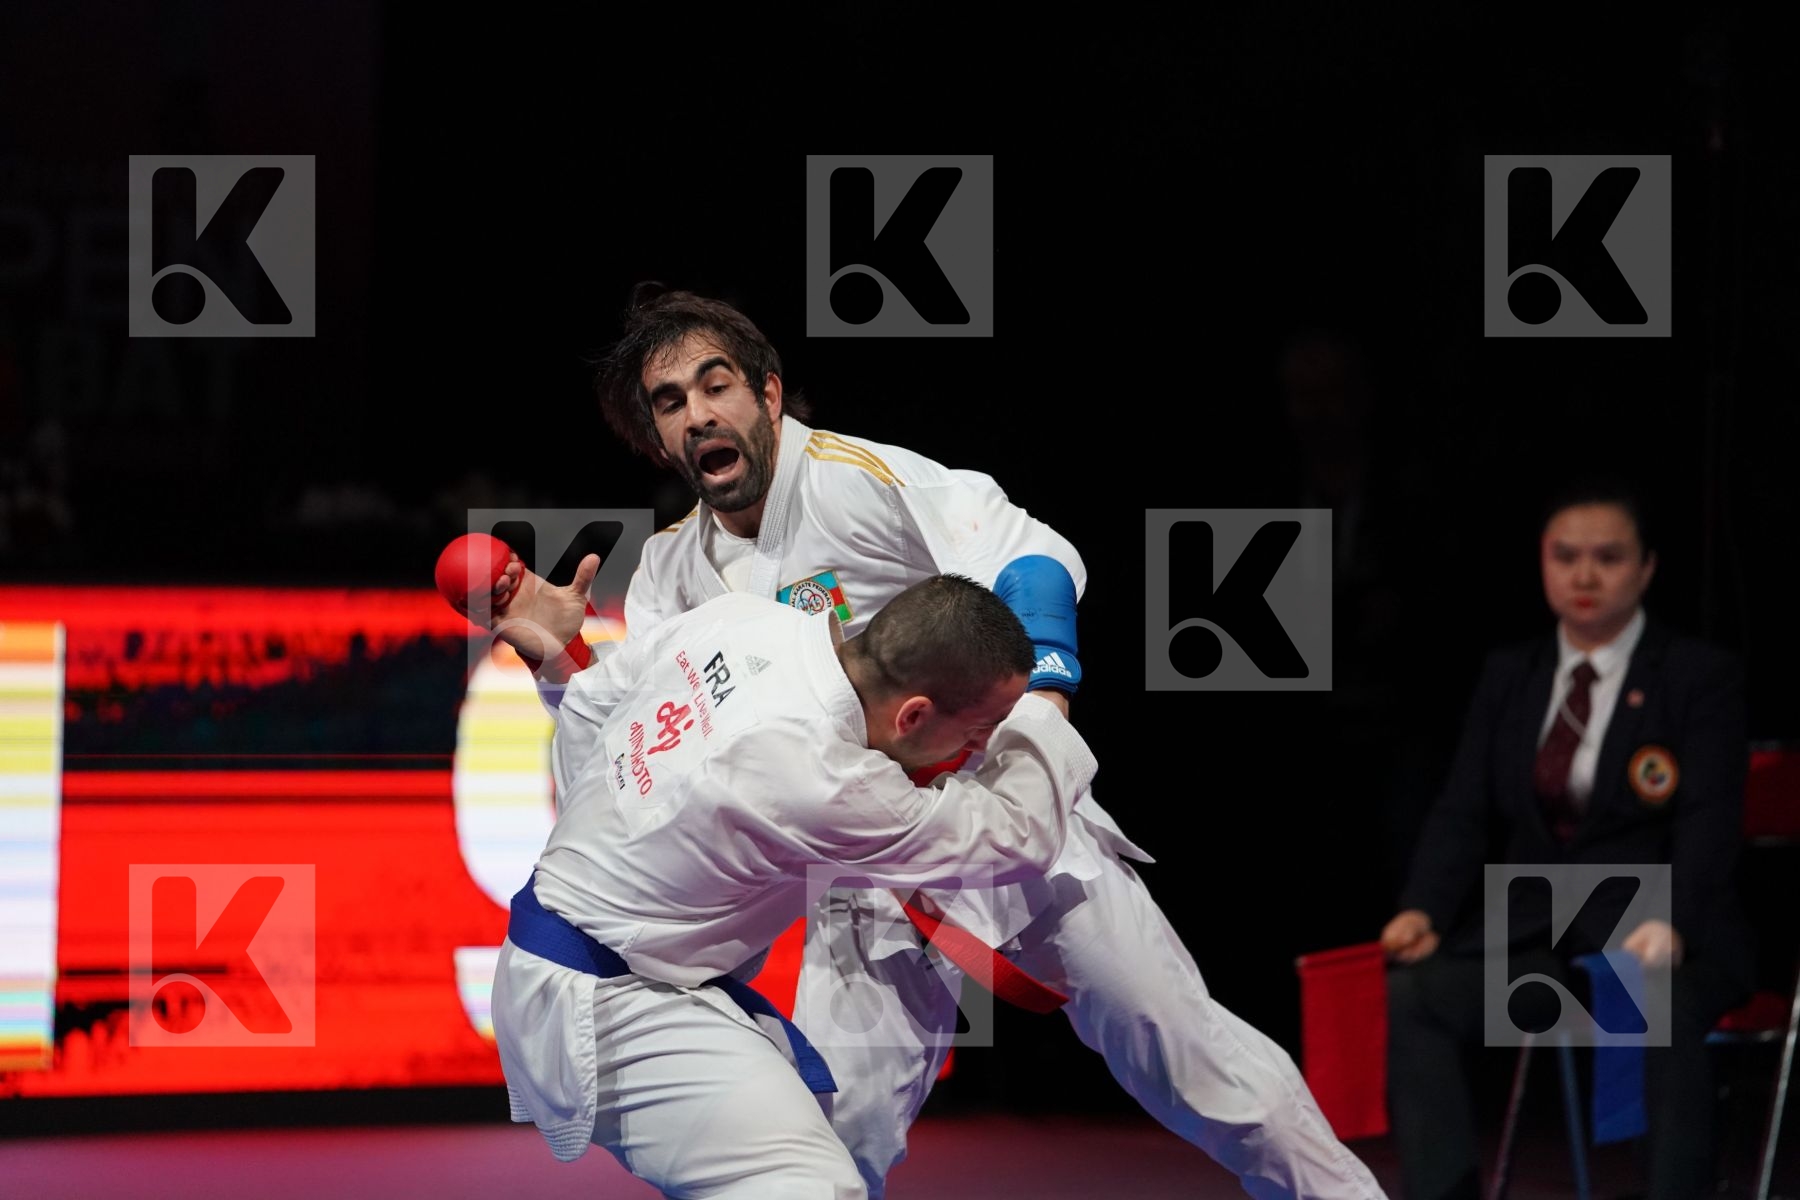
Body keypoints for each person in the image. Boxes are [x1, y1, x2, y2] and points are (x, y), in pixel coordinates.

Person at [488, 284, 1386, 1199]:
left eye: (715, 386)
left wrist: (1043, 710)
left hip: (1003, 805)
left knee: (1197, 1066)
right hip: (862, 876)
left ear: (768, 393)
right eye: (670, 403)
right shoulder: (673, 574)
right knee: (834, 1147)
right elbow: (618, 761)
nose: (697, 415)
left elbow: (1031, 557)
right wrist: (564, 662)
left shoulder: (855, 479)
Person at [494, 574, 1096, 1197]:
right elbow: (1014, 837)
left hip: (587, 963)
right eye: (981, 729)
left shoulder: (736, 617)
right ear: (913, 714)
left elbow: (594, 707)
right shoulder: (831, 780)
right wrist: (1049, 695)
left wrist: (562, 657)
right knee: (812, 1187)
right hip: (608, 1007)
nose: (982, 747)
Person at [1379, 483, 1753, 1200]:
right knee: (1420, 994)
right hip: (1543, 948)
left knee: (1659, 998)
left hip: (1667, 936)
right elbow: (1463, 808)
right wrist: (1422, 909)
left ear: (1645, 569)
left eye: (1608, 558)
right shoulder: (1510, 674)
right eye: (1567, 557)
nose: (1585, 576)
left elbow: (1709, 820)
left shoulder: (1696, 676)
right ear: (1544, 565)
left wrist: (1670, 922)